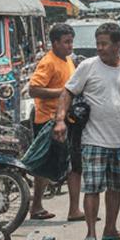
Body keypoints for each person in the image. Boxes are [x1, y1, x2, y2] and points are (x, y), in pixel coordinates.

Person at [55, 22, 120, 240]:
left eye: (104, 44)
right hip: (93, 139)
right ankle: (90, 234)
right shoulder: (88, 66)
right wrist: (60, 120)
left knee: (116, 188)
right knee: (93, 188)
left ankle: (110, 230)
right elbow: (67, 92)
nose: (99, 48)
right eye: (98, 43)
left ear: (118, 44)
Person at [27, 22, 82, 222]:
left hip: (64, 118)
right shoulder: (48, 62)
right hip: (48, 120)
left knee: (55, 164)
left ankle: (41, 206)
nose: (70, 46)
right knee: (63, 164)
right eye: (66, 42)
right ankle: (66, 209)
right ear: (55, 43)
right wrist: (63, 92)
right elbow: (33, 89)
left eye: (71, 42)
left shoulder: (67, 60)